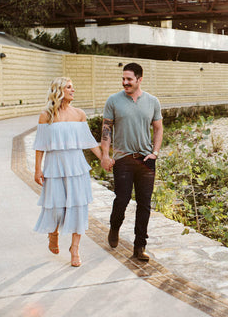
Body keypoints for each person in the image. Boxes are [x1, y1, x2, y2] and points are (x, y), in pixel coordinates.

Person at [33, 77, 101, 267]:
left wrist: (104, 158)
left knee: (78, 206)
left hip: (76, 166)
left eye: (73, 86)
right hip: (54, 166)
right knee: (55, 206)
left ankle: (75, 249)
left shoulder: (79, 114)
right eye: (69, 87)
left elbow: (88, 141)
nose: (73, 90)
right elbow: (40, 145)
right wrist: (37, 169)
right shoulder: (46, 116)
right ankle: (53, 232)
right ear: (59, 91)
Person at [101, 62, 163, 261]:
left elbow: (158, 128)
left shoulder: (152, 101)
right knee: (122, 199)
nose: (124, 82)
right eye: (123, 79)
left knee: (144, 204)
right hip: (123, 159)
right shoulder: (113, 101)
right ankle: (114, 227)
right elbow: (106, 130)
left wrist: (155, 152)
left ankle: (139, 246)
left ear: (139, 79)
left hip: (146, 160)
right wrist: (105, 155)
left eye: (129, 79)